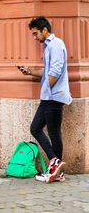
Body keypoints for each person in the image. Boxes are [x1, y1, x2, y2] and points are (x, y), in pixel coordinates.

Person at [17, 16, 72, 183]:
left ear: (45, 30)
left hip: (53, 96)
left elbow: (55, 72)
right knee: (38, 128)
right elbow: (48, 71)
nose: (35, 38)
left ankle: (55, 163)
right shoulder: (49, 46)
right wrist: (30, 72)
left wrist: (47, 89)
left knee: (50, 131)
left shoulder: (55, 45)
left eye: (36, 34)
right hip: (48, 96)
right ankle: (57, 168)